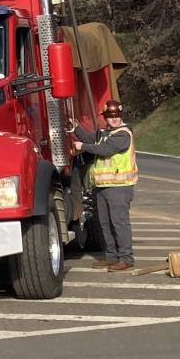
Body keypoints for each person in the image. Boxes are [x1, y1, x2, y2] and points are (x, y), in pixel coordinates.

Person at [73, 100, 137, 272]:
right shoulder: (105, 133)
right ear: (105, 118)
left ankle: (126, 258)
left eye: (117, 116)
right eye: (110, 116)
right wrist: (75, 128)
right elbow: (89, 138)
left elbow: (105, 149)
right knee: (104, 223)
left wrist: (83, 147)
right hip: (102, 186)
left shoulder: (123, 134)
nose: (114, 119)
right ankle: (111, 257)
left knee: (119, 223)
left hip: (119, 186)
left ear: (121, 116)